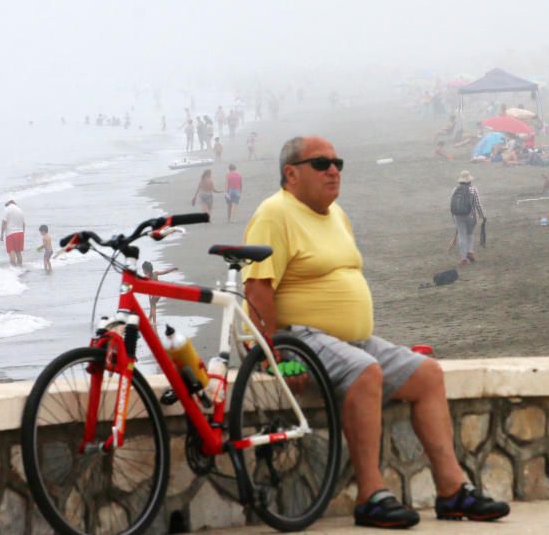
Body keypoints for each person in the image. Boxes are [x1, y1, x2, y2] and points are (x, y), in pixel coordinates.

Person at [243, 137, 508, 528]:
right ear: (291, 173)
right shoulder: (274, 213)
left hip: (349, 340)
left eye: (337, 162)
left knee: (427, 375)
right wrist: (273, 357)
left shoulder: (336, 214)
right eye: (321, 163)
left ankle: (452, 490)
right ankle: (371, 494)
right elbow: (258, 287)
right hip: (300, 338)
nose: (333, 170)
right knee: (365, 371)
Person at [450, 170, 486, 265]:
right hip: (470, 215)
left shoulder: (455, 190)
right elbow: (478, 204)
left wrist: (454, 219)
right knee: (469, 234)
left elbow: (452, 205)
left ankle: (463, 258)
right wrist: (482, 216)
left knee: (462, 236)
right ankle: (470, 251)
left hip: (457, 216)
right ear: (470, 180)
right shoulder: (473, 189)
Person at [141, 260, 177, 326]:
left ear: (146, 270)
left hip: (154, 294)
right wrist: (172, 269)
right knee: (153, 307)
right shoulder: (155, 273)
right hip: (160, 293)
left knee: (153, 308)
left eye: (143, 270)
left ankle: (154, 322)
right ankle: (149, 320)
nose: (143, 271)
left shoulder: (146, 277)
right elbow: (165, 272)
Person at [1, 200, 26, 267]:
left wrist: (1, 234)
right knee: (18, 252)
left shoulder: (7, 209)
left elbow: (4, 223)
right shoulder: (20, 210)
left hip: (11, 233)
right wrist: (23, 233)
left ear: (8, 203)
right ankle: (20, 268)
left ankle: (13, 270)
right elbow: (23, 224)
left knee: (11, 251)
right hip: (20, 233)